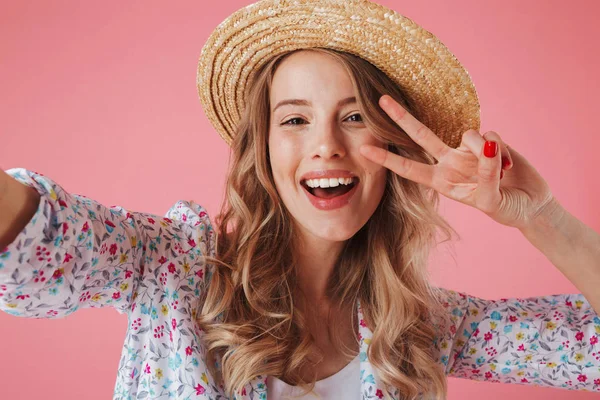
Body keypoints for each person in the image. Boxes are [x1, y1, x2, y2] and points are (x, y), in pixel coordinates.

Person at [1, 0, 599, 399]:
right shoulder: (175, 267)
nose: (326, 147)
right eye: (294, 120)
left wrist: (541, 218)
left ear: (392, 146)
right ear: (260, 148)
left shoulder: (418, 326)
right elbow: (37, 243)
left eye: (355, 116)